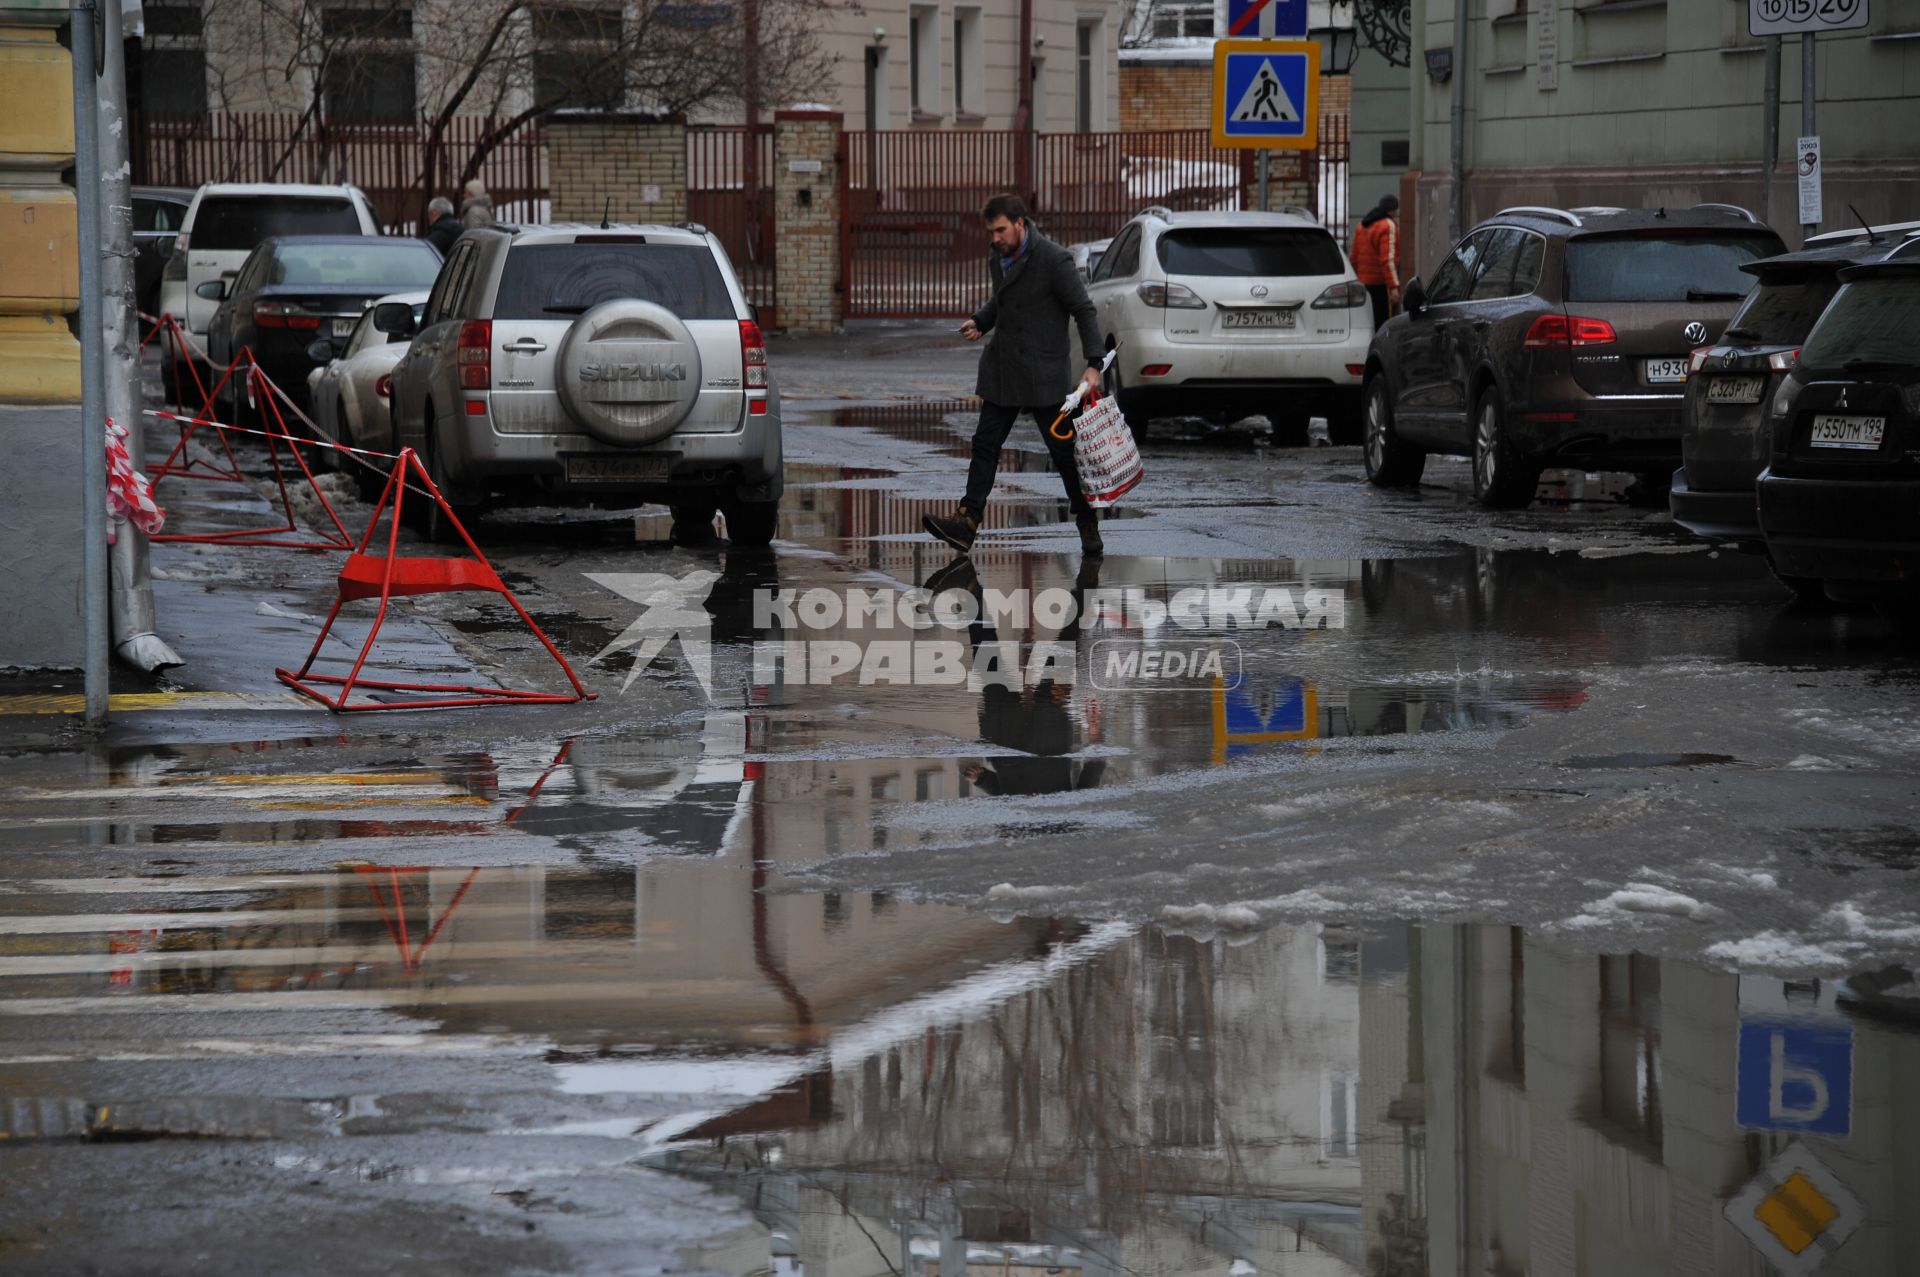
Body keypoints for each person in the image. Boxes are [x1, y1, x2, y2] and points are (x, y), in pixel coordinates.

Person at [922, 194, 1107, 559]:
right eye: (991, 231)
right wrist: (982, 320)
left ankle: (1086, 519)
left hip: (1043, 372)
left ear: (1020, 224)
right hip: (1004, 368)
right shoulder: (999, 256)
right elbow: (1003, 301)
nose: (995, 237)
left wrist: (1094, 363)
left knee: (1064, 453)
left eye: (1001, 230)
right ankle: (967, 522)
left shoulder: (1054, 260)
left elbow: (1083, 310)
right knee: (985, 445)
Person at [1351, 193, 1402, 330]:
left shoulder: (1362, 225)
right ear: (1392, 210)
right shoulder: (1388, 225)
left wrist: (1357, 279)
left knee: (1368, 324)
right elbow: (1388, 260)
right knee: (1384, 324)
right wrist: (1394, 287)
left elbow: (1354, 258)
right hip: (1381, 285)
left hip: (1364, 284)